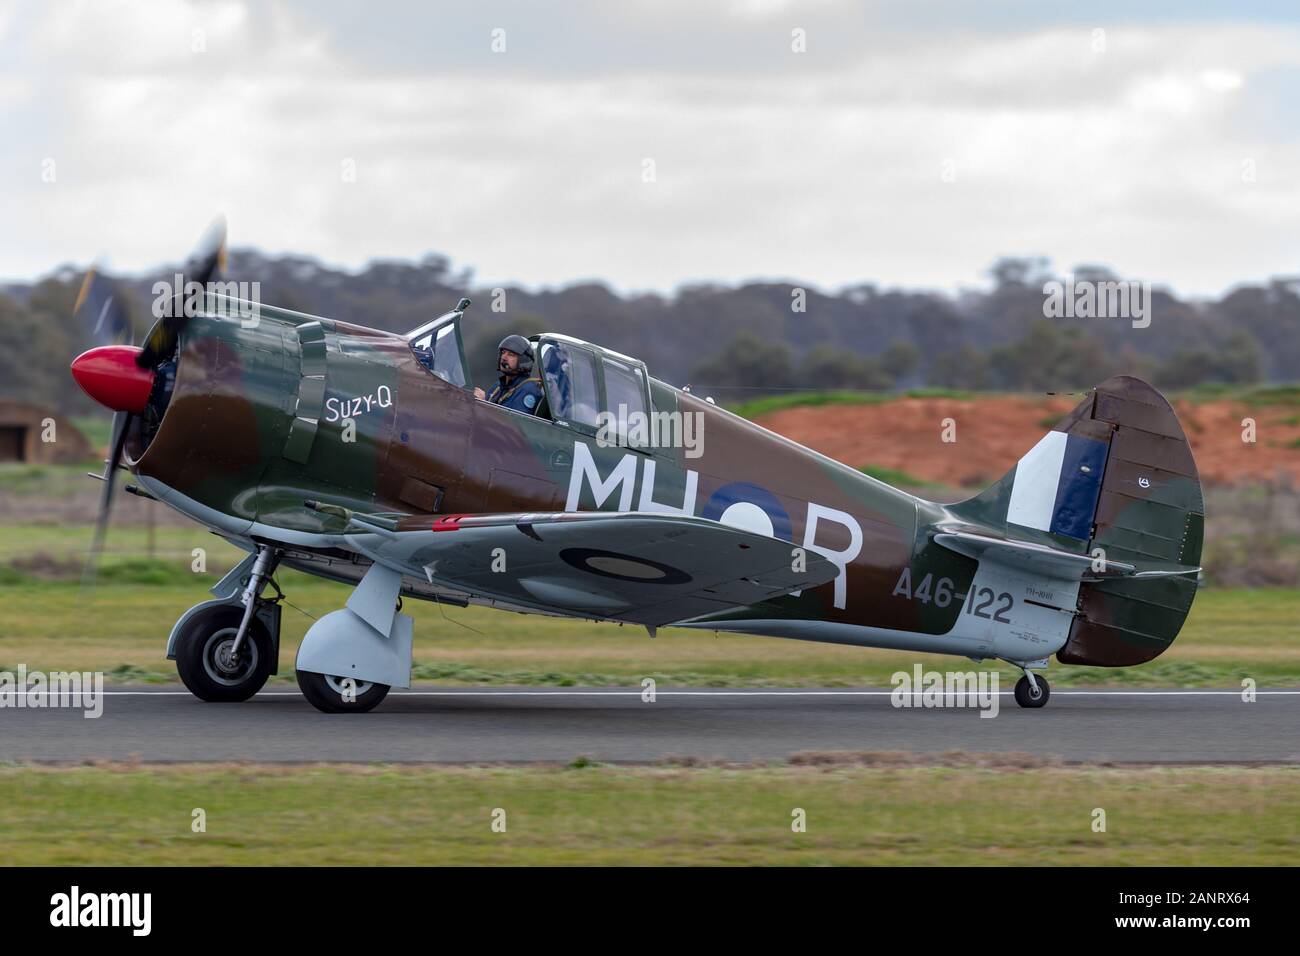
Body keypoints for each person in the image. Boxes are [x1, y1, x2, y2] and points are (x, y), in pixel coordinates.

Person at [474, 334, 544, 414]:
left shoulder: (529, 391)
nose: (504, 357)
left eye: (511, 354)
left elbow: (514, 423)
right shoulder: (497, 387)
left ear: (523, 360)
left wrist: (483, 404)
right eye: (503, 352)